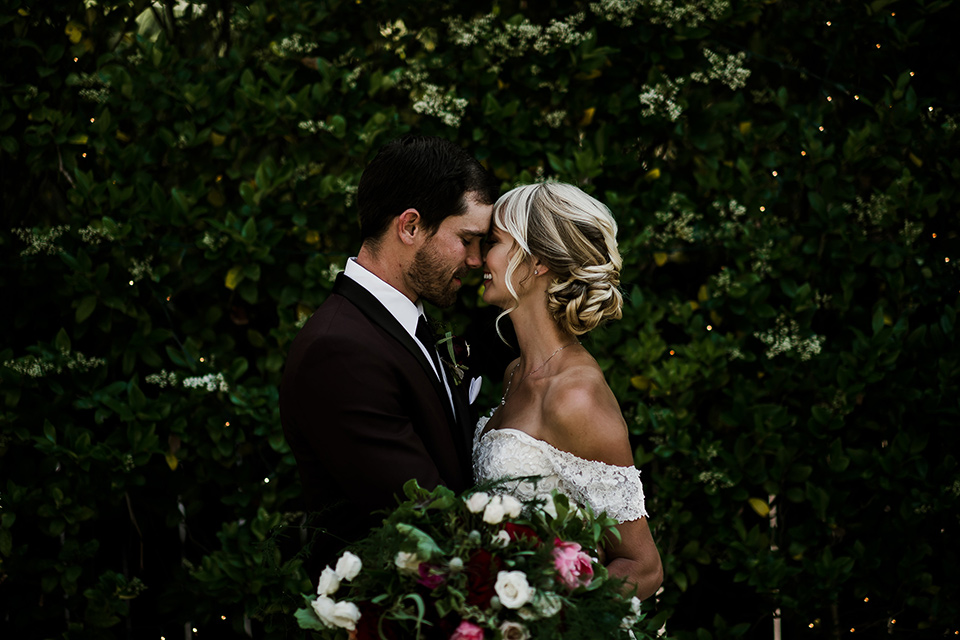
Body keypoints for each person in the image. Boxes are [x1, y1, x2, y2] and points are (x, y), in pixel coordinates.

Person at [280, 136, 498, 574]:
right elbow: (425, 518)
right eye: (467, 240)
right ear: (411, 226)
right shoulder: (338, 350)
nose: (476, 261)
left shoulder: (407, 323)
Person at [474, 182, 664, 600]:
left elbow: (644, 568)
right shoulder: (514, 373)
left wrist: (549, 610)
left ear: (537, 261)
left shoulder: (575, 396)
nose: (479, 257)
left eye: (494, 242)